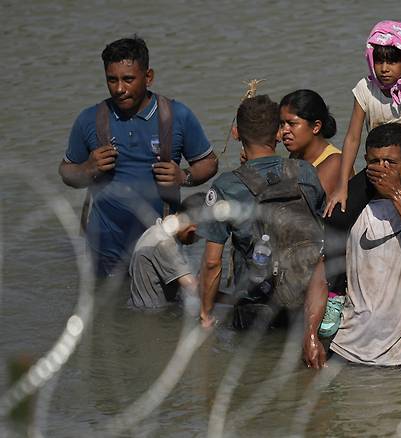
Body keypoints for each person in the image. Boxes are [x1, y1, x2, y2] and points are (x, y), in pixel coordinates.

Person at [318, 21, 401, 340]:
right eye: (380, 60)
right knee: (335, 216)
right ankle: (337, 293)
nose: (385, 68)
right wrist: (343, 183)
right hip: (375, 169)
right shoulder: (365, 89)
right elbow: (351, 138)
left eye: (392, 60)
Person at [59, 36, 217, 277]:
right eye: (112, 80)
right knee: (108, 314)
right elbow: (66, 171)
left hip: (161, 248)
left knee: (162, 313)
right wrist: (88, 169)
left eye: (128, 79)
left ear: (149, 76)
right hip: (104, 252)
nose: (119, 89)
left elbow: (209, 162)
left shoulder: (177, 115)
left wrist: (184, 176)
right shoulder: (90, 119)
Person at [304, 123, 401, 367]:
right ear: (365, 161)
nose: (382, 169)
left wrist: (396, 194)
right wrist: (310, 335)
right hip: (344, 350)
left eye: (391, 163)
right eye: (375, 162)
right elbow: (322, 271)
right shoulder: (347, 206)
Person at [197, 95, 325, 329]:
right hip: (306, 301)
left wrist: (205, 313)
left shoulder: (226, 187)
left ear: (236, 133)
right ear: (278, 133)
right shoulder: (305, 172)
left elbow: (212, 263)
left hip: (255, 308)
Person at [129, 192, 206, 309]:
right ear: (192, 230)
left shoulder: (160, 228)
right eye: (198, 238)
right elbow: (194, 289)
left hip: (142, 306)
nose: (196, 242)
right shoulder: (165, 244)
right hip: (152, 315)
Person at [279, 89, 343, 196]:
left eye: (292, 124)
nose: (284, 130)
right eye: (282, 124)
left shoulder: (336, 162)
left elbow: (310, 206)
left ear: (316, 127)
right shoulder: (296, 155)